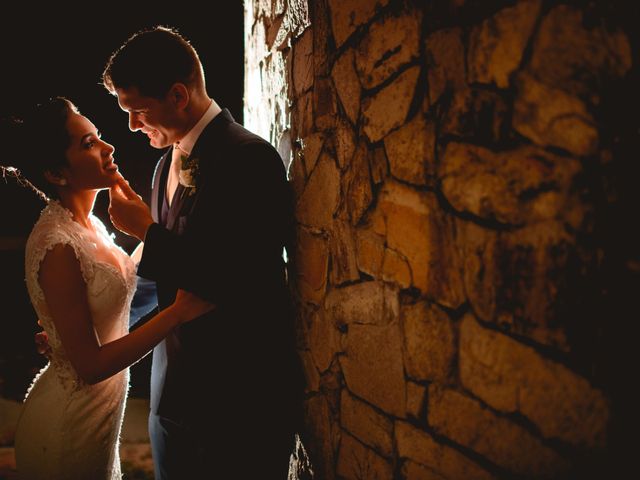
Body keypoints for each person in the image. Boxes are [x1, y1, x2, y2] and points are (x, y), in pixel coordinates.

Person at [103, 26, 304, 478]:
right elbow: (159, 283)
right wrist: (98, 329)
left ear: (178, 95)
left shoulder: (249, 158)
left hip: (236, 402)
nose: (133, 125)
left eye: (139, 111)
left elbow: (235, 280)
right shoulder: (163, 165)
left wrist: (145, 231)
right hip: (169, 394)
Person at [3, 97, 214, 479]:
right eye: (87, 144)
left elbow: (118, 287)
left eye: (97, 136)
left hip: (98, 421)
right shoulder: (58, 244)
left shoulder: (90, 227)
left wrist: (150, 231)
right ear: (56, 173)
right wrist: (177, 314)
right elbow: (90, 365)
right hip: (69, 426)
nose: (108, 147)